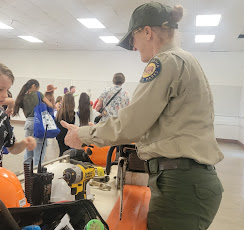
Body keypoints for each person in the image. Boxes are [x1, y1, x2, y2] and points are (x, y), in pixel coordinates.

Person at [60, 2, 224, 229]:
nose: (134, 48)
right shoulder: (185, 59)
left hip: (181, 185)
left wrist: (84, 134)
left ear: (147, 32)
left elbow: (131, 124)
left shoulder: (164, 62)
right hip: (189, 180)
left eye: (132, 40)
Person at [13, 79, 54, 165]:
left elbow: (26, 114)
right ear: (34, 86)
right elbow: (50, 105)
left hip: (28, 124)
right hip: (39, 124)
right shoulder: (39, 94)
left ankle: (27, 172)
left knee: (28, 150)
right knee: (39, 153)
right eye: (38, 88)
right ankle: (36, 174)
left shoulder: (22, 97)